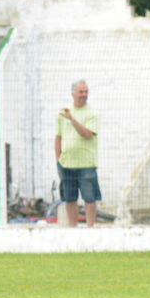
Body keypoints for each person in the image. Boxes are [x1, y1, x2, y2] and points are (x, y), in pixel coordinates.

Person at [54, 80, 100, 227]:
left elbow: (87, 134)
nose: (84, 95)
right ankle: (72, 229)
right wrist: (58, 158)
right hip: (66, 164)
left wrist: (72, 119)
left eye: (86, 92)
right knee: (69, 198)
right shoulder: (63, 114)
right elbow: (58, 137)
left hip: (86, 163)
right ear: (73, 93)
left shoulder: (91, 113)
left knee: (90, 198)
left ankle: (90, 227)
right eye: (81, 92)